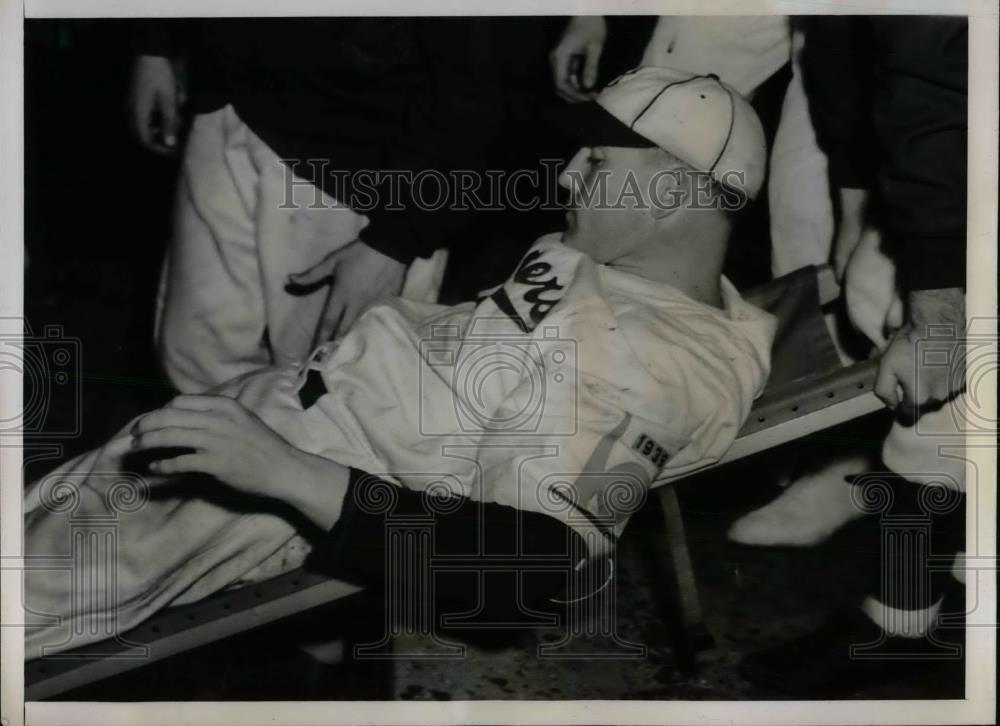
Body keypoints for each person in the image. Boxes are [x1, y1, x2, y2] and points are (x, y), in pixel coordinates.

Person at [24, 67, 776, 659]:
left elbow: (525, 578)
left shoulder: (646, 363)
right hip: (271, 415)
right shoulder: (612, 260)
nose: (566, 175)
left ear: (675, 193)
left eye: (598, 160)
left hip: (270, 484)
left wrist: (282, 471)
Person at [738, 17, 969, 697]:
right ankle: (907, 621)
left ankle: (939, 628)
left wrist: (939, 312)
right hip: (931, 108)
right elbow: (844, 53)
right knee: (880, 297)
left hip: (961, 116)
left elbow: (936, 102)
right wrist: (855, 203)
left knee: (947, 345)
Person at [128, 19, 504, 393]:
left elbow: (483, 81)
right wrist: (155, 43)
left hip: (365, 164)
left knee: (338, 391)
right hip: (227, 96)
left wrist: (396, 238)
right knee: (197, 356)